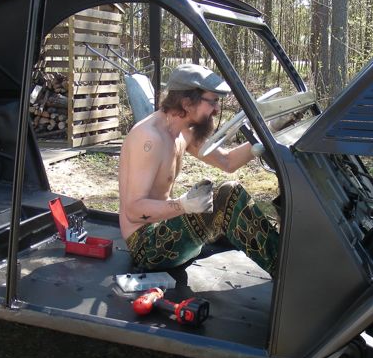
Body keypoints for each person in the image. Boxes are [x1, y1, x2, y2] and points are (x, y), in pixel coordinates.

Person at [118, 63, 279, 276]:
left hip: (166, 227)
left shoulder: (184, 132)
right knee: (228, 195)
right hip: (147, 246)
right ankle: (286, 269)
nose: (217, 110)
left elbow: (227, 162)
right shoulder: (149, 138)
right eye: (212, 102)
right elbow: (133, 210)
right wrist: (182, 205)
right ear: (187, 103)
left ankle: (284, 257)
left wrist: (273, 129)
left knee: (227, 196)